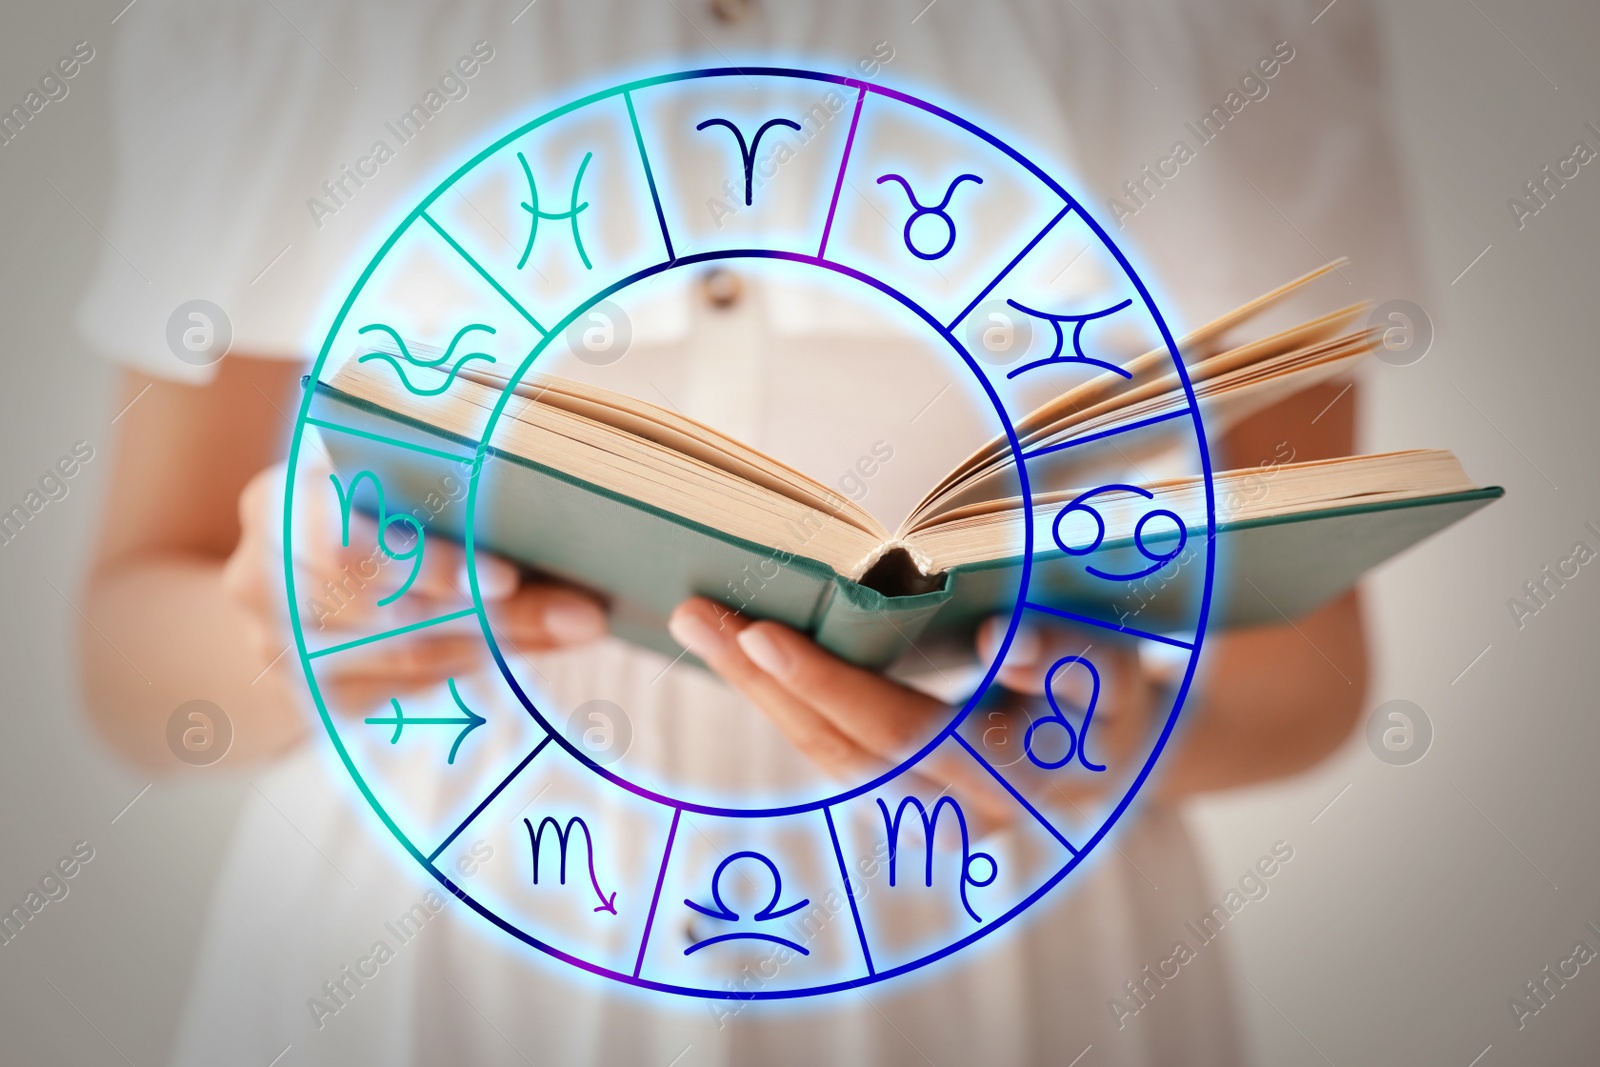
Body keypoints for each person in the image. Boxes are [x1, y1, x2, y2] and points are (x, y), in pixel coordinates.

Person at [77, 1, 1412, 1063]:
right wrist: (277, 626)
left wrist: (1099, 742)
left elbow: (1305, 672)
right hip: (411, 986)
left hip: (1003, 978)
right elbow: (131, 663)